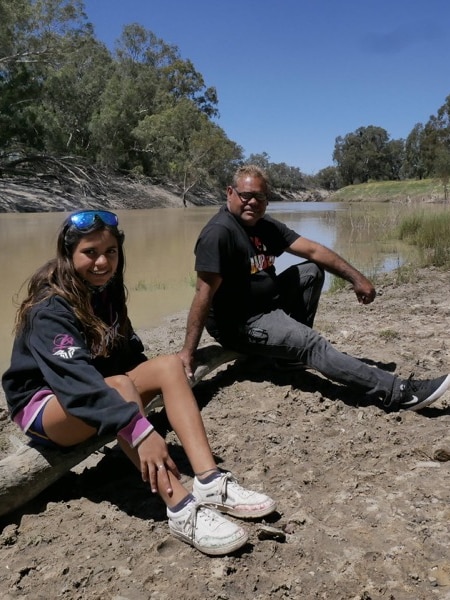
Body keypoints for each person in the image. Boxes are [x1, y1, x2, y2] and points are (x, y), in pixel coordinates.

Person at [1, 209, 276, 556]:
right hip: (45, 405)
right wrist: (139, 429)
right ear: (68, 254)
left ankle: (210, 482)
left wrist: (157, 383)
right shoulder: (50, 307)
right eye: (90, 253)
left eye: (111, 252)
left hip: (96, 388)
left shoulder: (105, 288)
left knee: (168, 366)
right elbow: (77, 385)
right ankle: (181, 509)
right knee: (119, 387)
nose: (103, 262)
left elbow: (125, 352)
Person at [179, 165, 450, 412]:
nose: (252, 202)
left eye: (260, 198)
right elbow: (203, 294)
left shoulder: (263, 225)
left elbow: (313, 249)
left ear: (267, 200)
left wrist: (357, 278)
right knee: (311, 344)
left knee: (310, 271)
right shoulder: (219, 233)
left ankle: (286, 359)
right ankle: (398, 392)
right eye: (246, 195)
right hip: (241, 323)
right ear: (230, 193)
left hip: (266, 306)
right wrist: (188, 353)